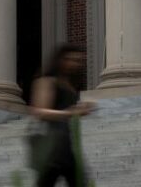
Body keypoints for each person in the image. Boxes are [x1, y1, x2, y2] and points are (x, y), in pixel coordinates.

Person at [29, 43, 95, 187]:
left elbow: (67, 110)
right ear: (61, 60)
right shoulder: (47, 81)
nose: (76, 64)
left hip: (66, 144)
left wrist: (81, 108)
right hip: (52, 146)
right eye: (72, 60)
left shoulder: (69, 84)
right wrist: (71, 112)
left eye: (79, 61)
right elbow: (40, 112)